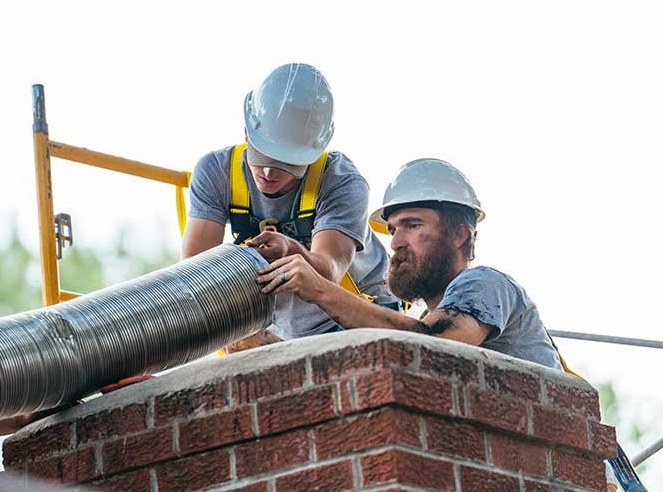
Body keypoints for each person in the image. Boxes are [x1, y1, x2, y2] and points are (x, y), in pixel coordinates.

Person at [257, 157, 563, 370]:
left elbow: (435, 346)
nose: (395, 243)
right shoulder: (421, 318)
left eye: (412, 226)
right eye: (393, 229)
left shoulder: (486, 284)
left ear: (459, 234)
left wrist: (320, 289)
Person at [182, 63, 396, 349]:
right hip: (284, 329)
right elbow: (194, 277)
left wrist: (292, 249)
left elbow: (330, 272)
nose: (269, 173)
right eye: (262, 156)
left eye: (286, 163)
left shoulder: (341, 182)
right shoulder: (217, 173)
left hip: (360, 317)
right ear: (247, 132)